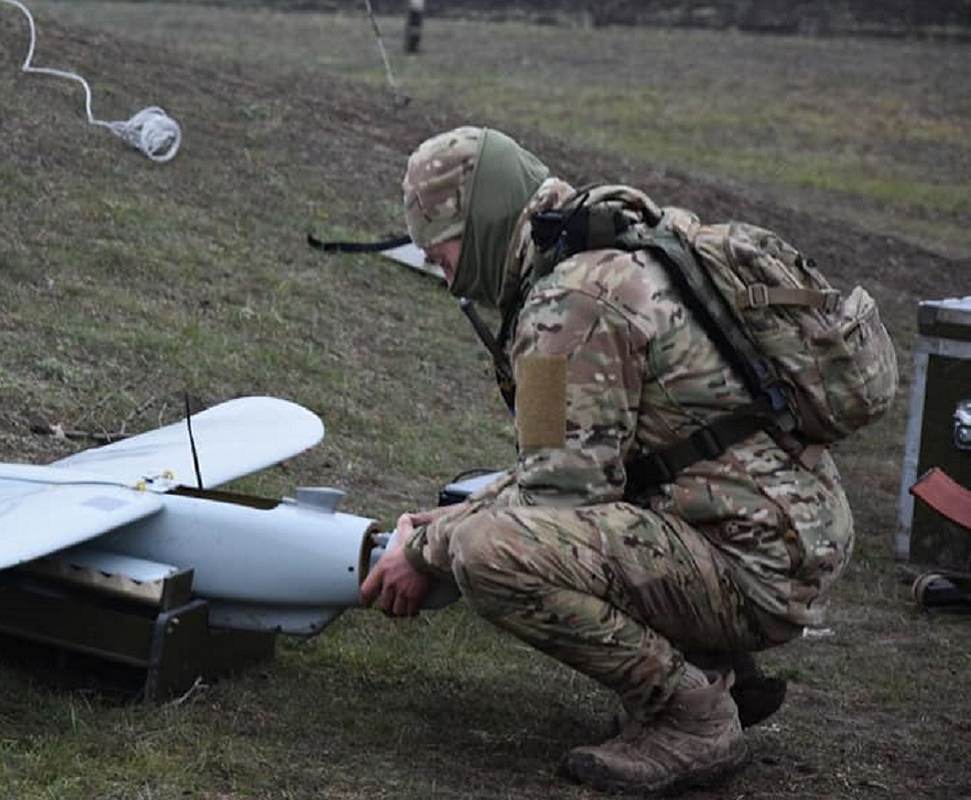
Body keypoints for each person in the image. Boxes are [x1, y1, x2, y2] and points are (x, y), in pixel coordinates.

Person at [359, 126, 854, 794]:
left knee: (488, 554)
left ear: (478, 224)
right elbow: (583, 462)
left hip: (755, 562)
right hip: (780, 530)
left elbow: (558, 498)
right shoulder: (607, 247)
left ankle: (691, 717)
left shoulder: (565, 307)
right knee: (487, 528)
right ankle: (718, 664)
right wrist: (440, 520)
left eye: (442, 252)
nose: (446, 278)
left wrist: (427, 550)